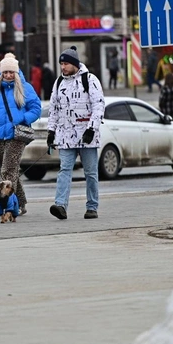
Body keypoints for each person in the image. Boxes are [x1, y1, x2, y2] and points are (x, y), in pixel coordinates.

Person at [46, 46, 105, 220]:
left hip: (87, 136)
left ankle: (92, 207)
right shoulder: (58, 83)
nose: (63, 67)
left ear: (74, 64)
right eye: (61, 64)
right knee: (64, 170)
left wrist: (91, 129)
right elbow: (53, 110)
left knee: (90, 172)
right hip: (65, 135)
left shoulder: (90, 80)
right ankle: (60, 205)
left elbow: (99, 105)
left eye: (65, 63)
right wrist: (51, 131)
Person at [0, 53, 41, 217]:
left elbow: (36, 109)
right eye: (5, 72)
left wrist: (22, 118)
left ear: (16, 72)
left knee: (7, 171)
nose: (8, 75)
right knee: (11, 172)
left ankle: (7, 204)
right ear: (1, 72)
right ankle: (21, 203)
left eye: (11, 72)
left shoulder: (25, 87)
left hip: (16, 135)